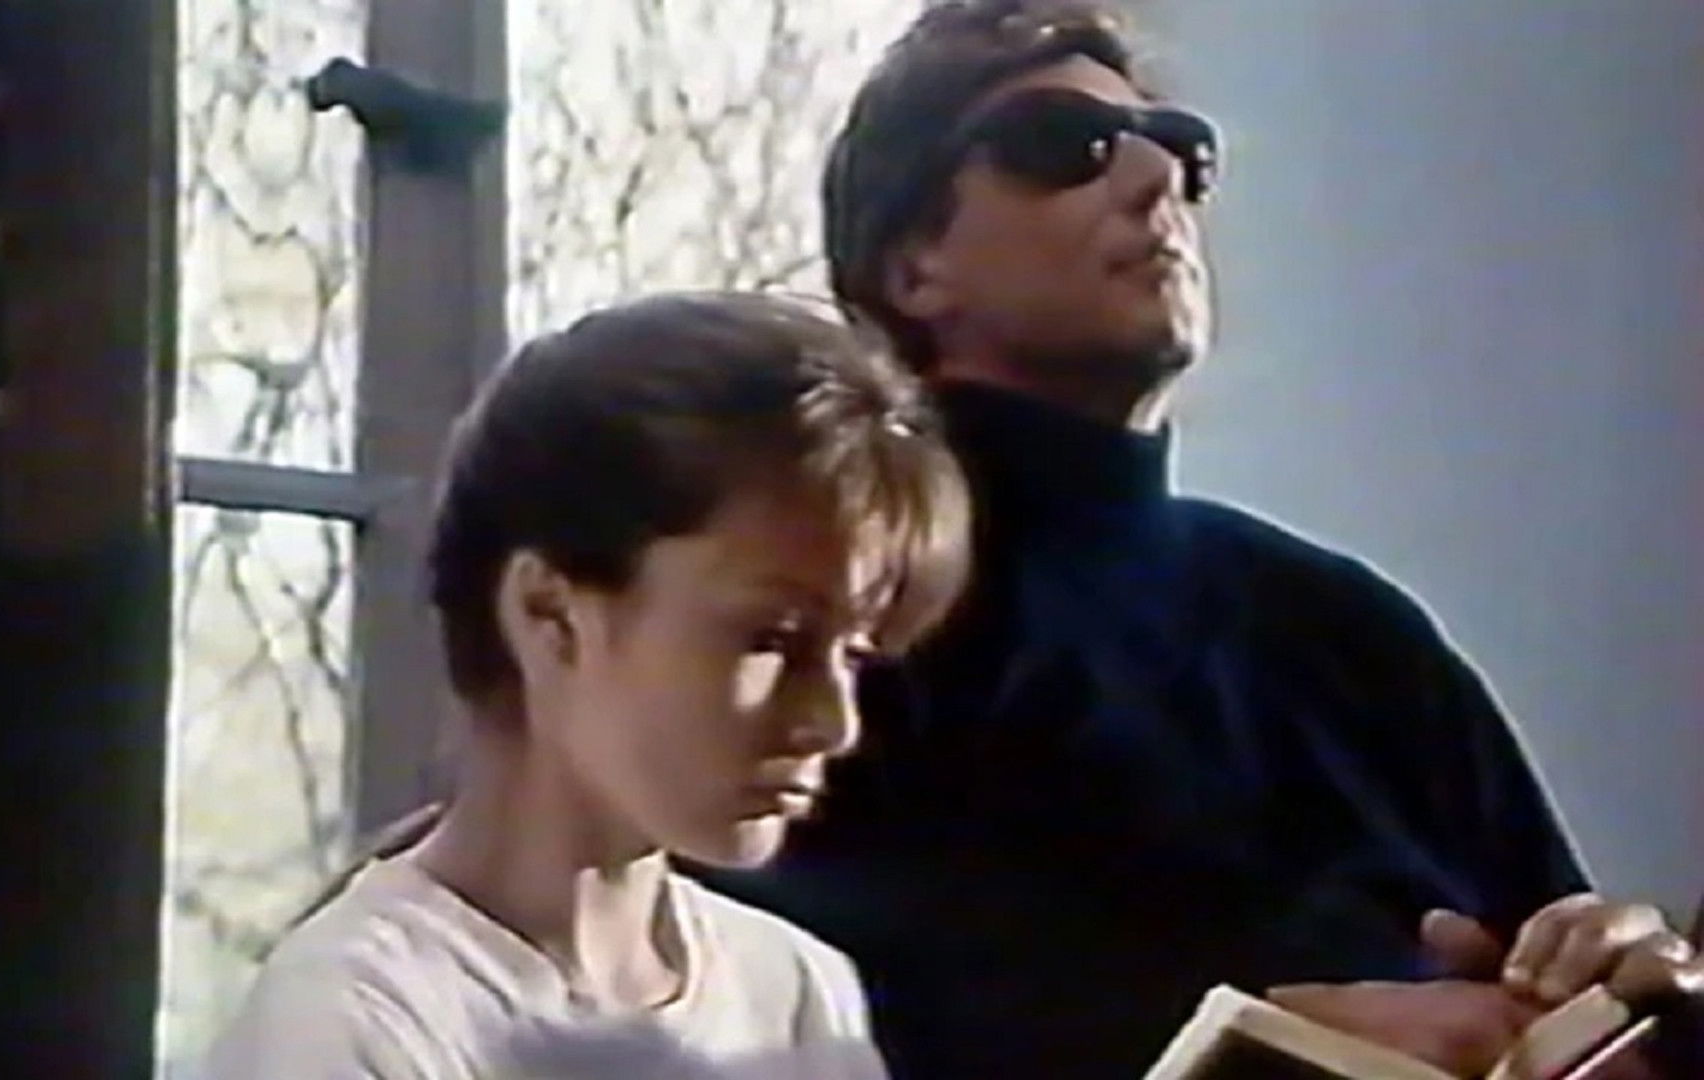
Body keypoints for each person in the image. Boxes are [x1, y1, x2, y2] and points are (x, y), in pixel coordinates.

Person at [697, 3, 1704, 1077]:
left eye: (1185, 150)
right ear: (911, 268)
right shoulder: (838, 615)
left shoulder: (1350, 629)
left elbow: (1572, 983)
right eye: (1064, 145)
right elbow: (743, 993)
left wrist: (1631, 983)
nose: (1156, 179)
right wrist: (1248, 1030)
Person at [201, 292, 970, 1079]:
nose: (834, 722)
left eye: (855, 655)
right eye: (772, 639)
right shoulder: (353, 1023)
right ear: (549, 613)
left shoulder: (795, 997)